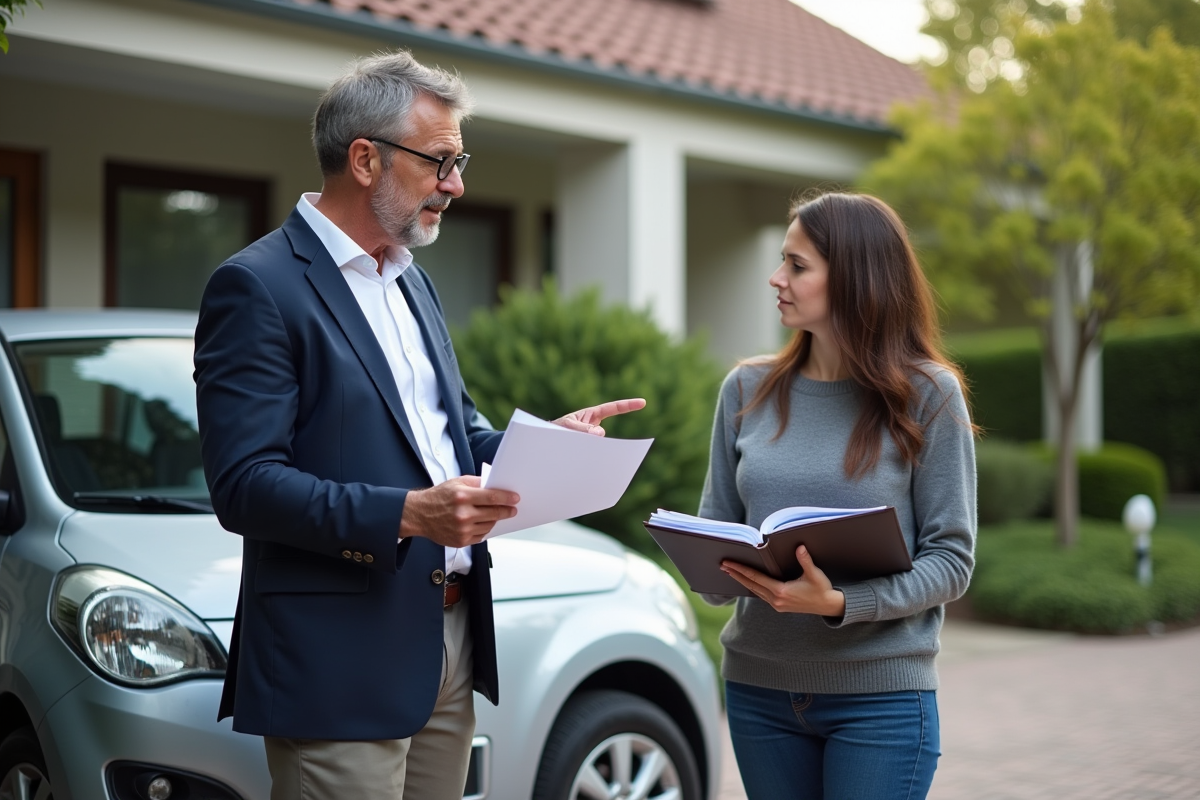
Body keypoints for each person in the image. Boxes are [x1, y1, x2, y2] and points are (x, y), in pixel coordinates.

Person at [193, 51, 643, 800]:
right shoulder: (256, 287)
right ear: (365, 159)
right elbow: (244, 487)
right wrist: (408, 514)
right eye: (441, 160)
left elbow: (454, 438)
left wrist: (542, 448)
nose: (457, 184)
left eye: (460, 161)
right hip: (337, 658)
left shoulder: (413, 280)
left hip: (452, 640)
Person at [699, 191, 977, 799]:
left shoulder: (929, 395)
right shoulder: (745, 389)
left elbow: (951, 561)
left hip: (880, 700)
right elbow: (718, 530)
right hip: (759, 692)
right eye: (782, 261)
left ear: (855, 278)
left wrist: (839, 603)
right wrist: (706, 565)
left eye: (798, 266)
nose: (777, 278)